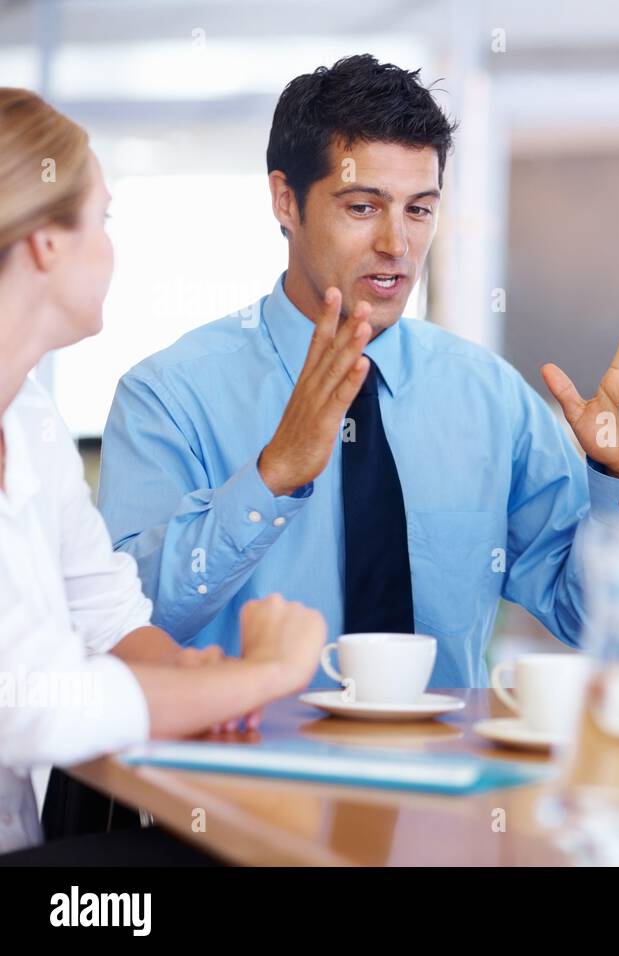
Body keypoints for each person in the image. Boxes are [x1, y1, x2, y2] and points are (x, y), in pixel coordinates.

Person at [97, 55, 619, 688]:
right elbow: (125, 625)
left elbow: (594, 621)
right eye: (362, 207)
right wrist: (271, 480)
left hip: (442, 779)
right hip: (244, 779)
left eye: (419, 209)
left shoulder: (489, 400)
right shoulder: (168, 396)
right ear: (285, 201)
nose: (397, 245)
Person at [0, 87, 326, 859]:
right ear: (47, 243)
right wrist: (265, 675)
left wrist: (196, 675)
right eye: (102, 220)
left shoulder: (31, 421)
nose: (112, 248)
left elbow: (106, 614)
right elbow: (40, 703)